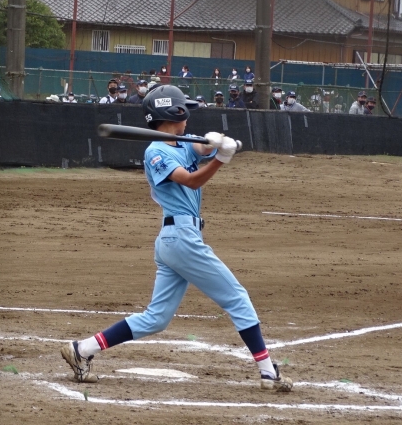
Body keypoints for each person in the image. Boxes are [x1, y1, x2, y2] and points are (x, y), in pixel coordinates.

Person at [59, 85, 293, 393]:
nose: (188, 118)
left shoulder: (183, 142)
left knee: (156, 319)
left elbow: (200, 149)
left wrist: (215, 142)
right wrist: (221, 159)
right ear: (174, 113)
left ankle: (83, 349)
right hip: (181, 238)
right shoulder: (156, 152)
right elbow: (192, 180)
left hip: (176, 239)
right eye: (185, 112)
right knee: (237, 298)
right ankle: (268, 372)